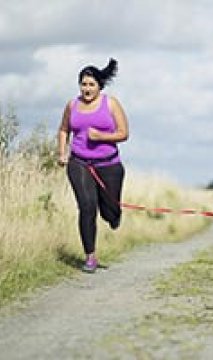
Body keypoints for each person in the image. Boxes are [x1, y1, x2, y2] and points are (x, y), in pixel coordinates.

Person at [57, 58, 129, 273]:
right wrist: (62, 153)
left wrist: (101, 136)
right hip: (79, 162)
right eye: (83, 84)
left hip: (109, 165)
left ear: (100, 86)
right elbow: (63, 130)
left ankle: (114, 216)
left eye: (91, 84)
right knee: (87, 206)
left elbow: (124, 133)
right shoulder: (72, 105)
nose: (86, 89)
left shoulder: (111, 104)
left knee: (109, 211)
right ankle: (90, 256)